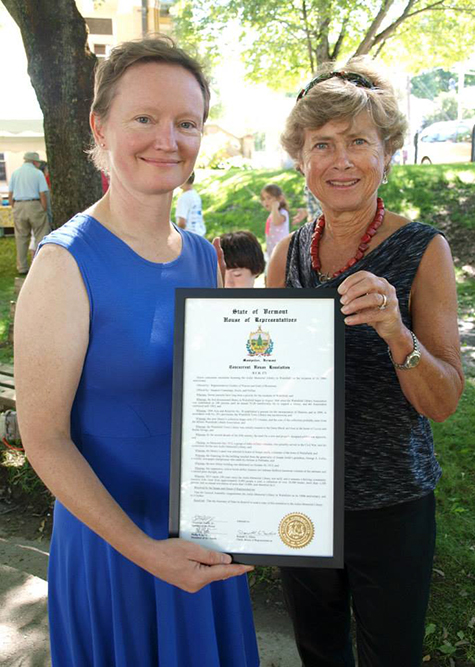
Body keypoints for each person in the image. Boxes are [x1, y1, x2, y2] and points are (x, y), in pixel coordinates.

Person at [14, 36, 258, 667]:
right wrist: (145, 551)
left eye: (186, 123)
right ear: (101, 125)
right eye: (144, 118)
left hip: (202, 538)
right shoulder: (65, 263)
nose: (166, 140)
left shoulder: (205, 256)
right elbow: (44, 439)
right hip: (117, 548)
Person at [268, 57, 464, 667]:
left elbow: (445, 401)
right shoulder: (286, 256)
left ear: (387, 153)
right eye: (322, 144)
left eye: (359, 142)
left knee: (390, 656)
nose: (341, 160)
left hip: (391, 503)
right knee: (318, 651)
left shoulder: (423, 249)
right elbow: (260, 385)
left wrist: (396, 332)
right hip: (301, 500)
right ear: (302, 160)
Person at [8, 151, 50, 274]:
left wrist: (14, 206)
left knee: (21, 238)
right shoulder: (38, 174)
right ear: (35, 162)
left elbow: (10, 194)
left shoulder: (15, 173)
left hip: (19, 205)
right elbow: (43, 193)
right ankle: (38, 264)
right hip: (34, 204)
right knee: (40, 234)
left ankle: (22, 267)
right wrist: (44, 208)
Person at [261, 183, 289, 259]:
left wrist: (275, 207)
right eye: (263, 199)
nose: (265, 202)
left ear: (279, 198)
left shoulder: (283, 213)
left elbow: (277, 222)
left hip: (281, 251)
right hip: (272, 251)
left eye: (269, 198)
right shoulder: (272, 214)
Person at [175, 171, 206, 236]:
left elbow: (182, 222)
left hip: (189, 236)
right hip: (200, 234)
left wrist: (178, 235)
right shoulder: (196, 195)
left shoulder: (183, 198)